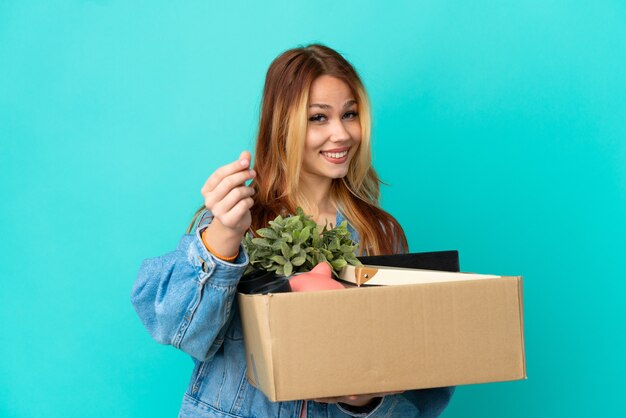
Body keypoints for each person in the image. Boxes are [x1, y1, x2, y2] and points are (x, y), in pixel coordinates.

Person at [131, 44, 454, 418]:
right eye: (319, 118)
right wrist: (224, 234)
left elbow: (413, 386)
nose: (342, 134)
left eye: (350, 114)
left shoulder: (379, 232)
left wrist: (365, 399)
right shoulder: (239, 219)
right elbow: (176, 328)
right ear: (283, 124)